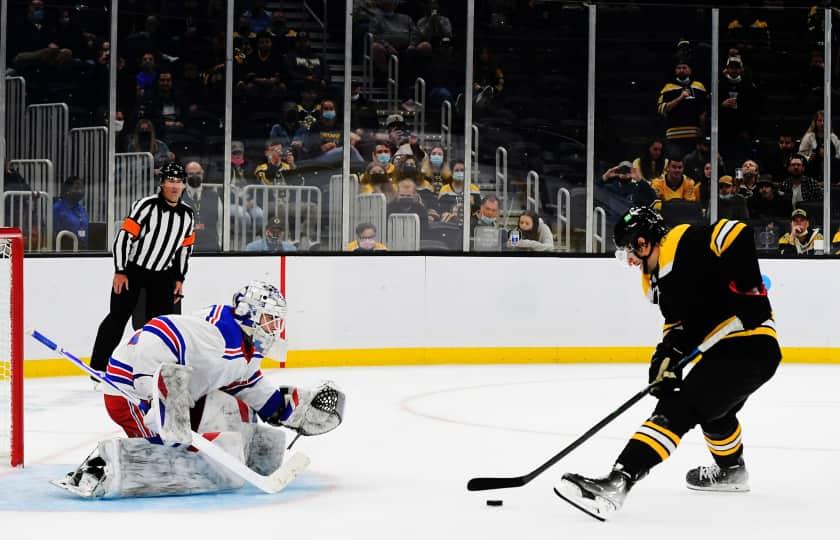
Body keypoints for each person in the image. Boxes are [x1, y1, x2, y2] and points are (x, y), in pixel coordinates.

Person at [557, 207, 780, 520]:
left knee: (678, 410)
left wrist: (748, 287)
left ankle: (619, 480)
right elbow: (677, 326)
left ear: (645, 242)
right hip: (728, 351)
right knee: (715, 412)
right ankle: (732, 472)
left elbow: (736, 232)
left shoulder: (684, 242)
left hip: (750, 343)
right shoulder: (659, 281)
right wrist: (665, 357)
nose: (630, 260)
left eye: (629, 251)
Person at [56, 281, 345, 498]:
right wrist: (151, 390)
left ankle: (252, 457)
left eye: (277, 321)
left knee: (236, 411)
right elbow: (157, 331)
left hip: (183, 395)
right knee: (163, 453)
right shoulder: (217, 332)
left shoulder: (249, 346)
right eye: (269, 319)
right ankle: (99, 471)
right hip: (127, 390)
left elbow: (246, 383)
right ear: (248, 313)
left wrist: (289, 410)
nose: (274, 328)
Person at [89, 161, 196, 373]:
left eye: (179, 182)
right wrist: (120, 270)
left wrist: (179, 279)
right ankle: (98, 368)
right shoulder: (145, 206)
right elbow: (123, 238)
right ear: (162, 183)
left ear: (184, 186)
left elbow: (184, 251)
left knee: (161, 326)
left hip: (163, 276)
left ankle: (154, 369)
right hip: (134, 271)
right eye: (170, 181)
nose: (175, 186)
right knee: (117, 317)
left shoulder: (188, 215)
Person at [52, 175, 90, 249]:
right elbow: (53, 234)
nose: (80, 191)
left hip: (83, 250)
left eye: (82, 188)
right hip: (65, 251)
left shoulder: (82, 208)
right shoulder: (57, 208)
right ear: (67, 190)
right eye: (76, 188)